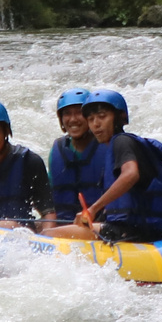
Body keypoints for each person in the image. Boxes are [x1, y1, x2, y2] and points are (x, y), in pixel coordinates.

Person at [43, 89, 162, 242]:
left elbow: (131, 174)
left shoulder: (122, 141)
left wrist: (93, 209)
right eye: (91, 119)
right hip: (135, 230)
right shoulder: (118, 145)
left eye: (102, 117)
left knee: (49, 236)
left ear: (119, 117)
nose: (96, 124)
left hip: (130, 232)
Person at [44, 87, 108, 232]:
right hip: (64, 225)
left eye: (79, 112)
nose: (73, 119)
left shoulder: (108, 147)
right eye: (67, 114)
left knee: (48, 233)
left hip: (99, 226)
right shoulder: (58, 149)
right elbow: (47, 199)